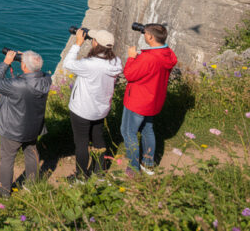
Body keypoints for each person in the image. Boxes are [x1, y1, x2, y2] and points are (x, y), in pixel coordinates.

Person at [0, 50, 52, 197]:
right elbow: (39, 71)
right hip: (33, 126)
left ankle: (4, 191)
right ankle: (32, 185)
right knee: (31, 152)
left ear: (23, 66)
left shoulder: (17, 84)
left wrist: (6, 63)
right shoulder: (46, 80)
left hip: (13, 129)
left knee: (7, 158)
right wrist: (28, 61)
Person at [63, 29, 122, 179]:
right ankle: (100, 172)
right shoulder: (116, 62)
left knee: (81, 143)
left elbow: (68, 63)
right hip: (101, 109)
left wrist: (78, 44)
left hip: (82, 109)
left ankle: (81, 177)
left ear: (95, 43)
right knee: (98, 139)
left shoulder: (89, 64)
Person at [120, 24, 177, 176]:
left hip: (138, 101)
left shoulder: (148, 58)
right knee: (147, 130)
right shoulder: (167, 54)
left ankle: (133, 168)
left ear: (151, 37)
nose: (144, 36)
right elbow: (152, 69)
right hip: (153, 100)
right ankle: (148, 163)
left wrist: (131, 58)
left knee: (128, 132)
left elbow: (130, 74)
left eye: (145, 33)